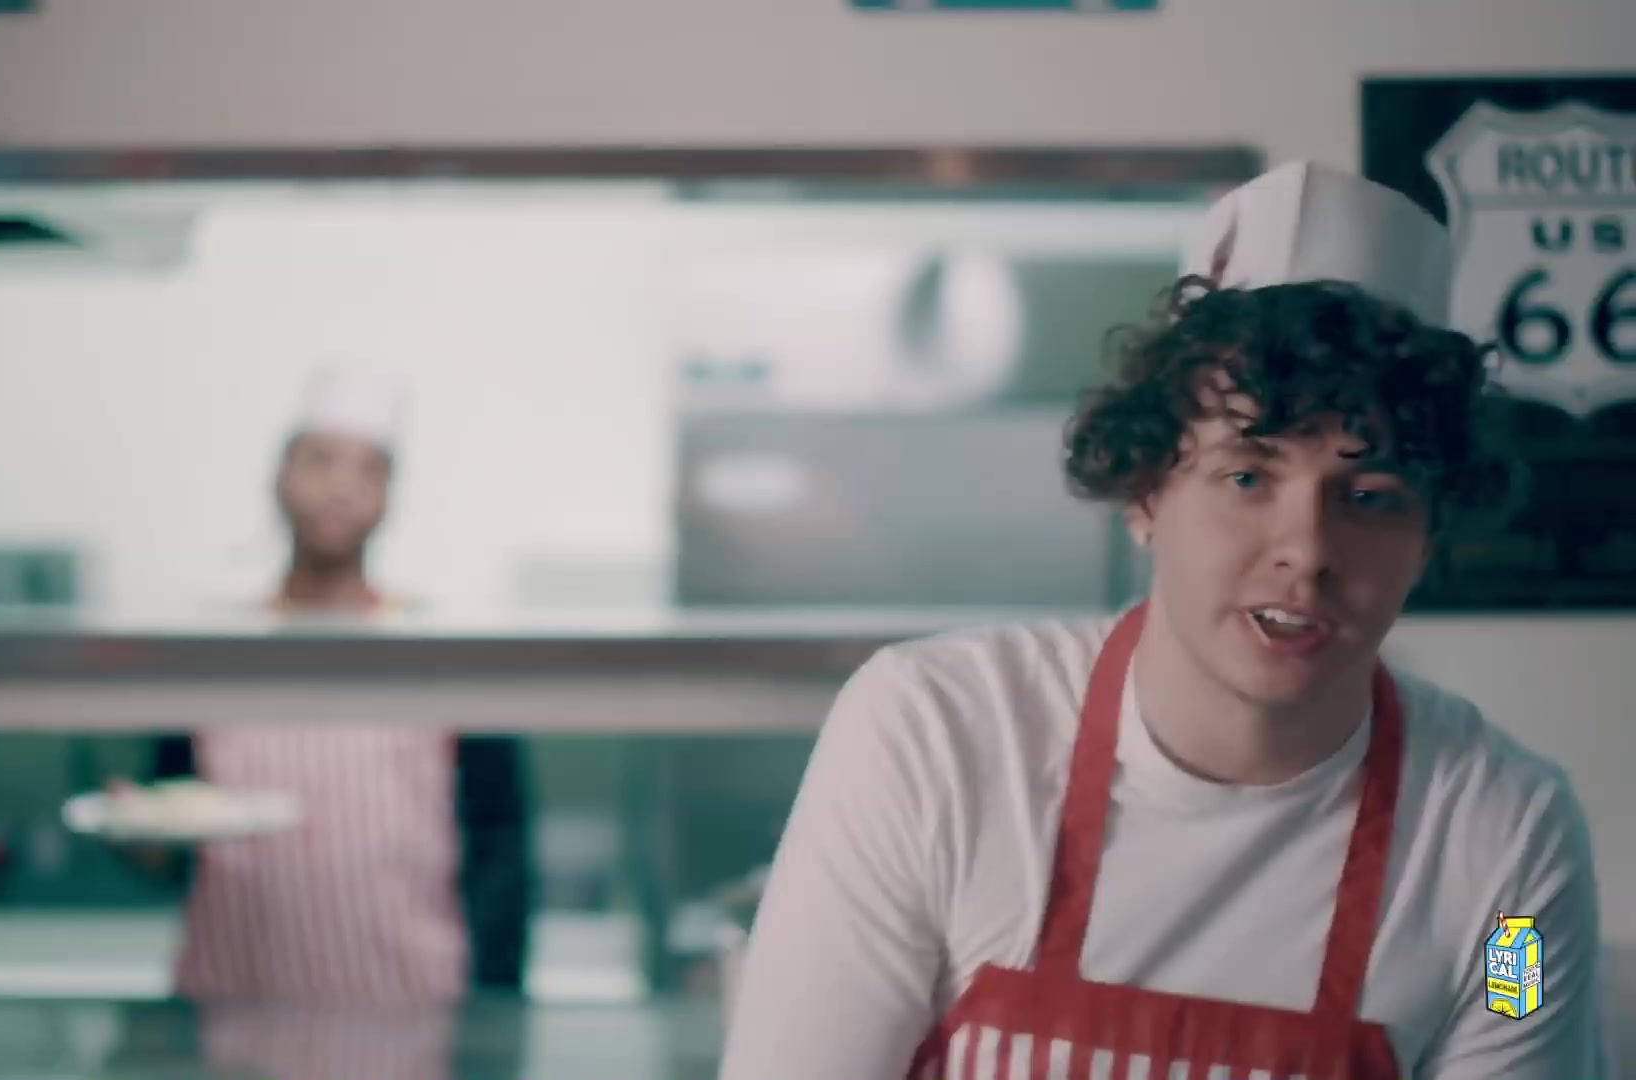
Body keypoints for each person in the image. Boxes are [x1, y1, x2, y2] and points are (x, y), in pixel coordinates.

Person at [718, 163, 1606, 1080]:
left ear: (1429, 537)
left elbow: (1521, 1032)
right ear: (1146, 494)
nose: (1307, 550)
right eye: (1248, 477)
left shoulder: (1510, 858)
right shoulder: (932, 735)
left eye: (1370, 496)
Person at [131, 365, 534, 1004]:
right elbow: (169, 841)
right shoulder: (215, 650)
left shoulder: (439, 654)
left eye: (367, 470)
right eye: (320, 461)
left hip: (407, 1007)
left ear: (389, 496)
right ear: (280, 476)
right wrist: (138, 827)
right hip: (233, 1003)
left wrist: (493, 1010)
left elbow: (501, 851)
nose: (340, 488)